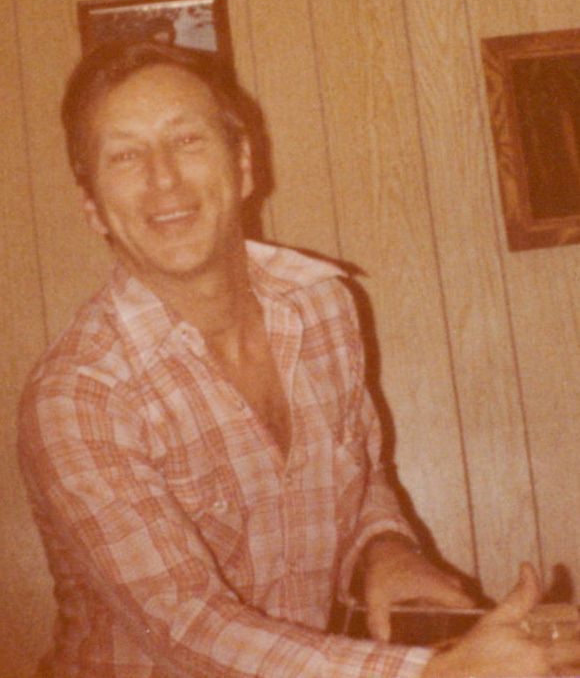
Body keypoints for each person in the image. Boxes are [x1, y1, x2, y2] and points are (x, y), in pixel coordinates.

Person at [18, 40, 580, 678]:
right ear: (91, 207)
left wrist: (384, 551)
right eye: (125, 155)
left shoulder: (324, 308)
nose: (163, 178)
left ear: (244, 165)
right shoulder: (78, 395)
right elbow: (187, 624)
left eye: (188, 140)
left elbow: (359, 479)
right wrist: (435, 674)